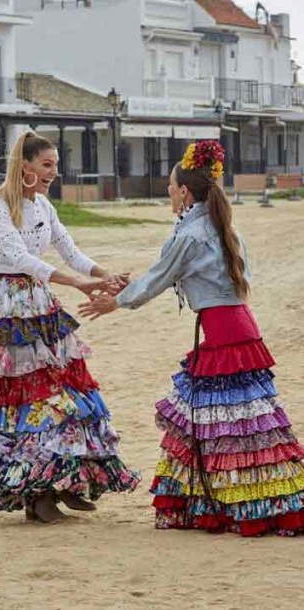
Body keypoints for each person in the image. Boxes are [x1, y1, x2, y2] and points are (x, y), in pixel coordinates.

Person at [80, 140, 304, 536]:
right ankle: (243, 502)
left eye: (171, 186)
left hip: (223, 336)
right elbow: (169, 275)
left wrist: (116, 301)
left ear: (185, 191)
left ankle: (237, 507)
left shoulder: (193, 233)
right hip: (239, 329)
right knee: (244, 425)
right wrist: (128, 289)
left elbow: (159, 277)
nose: (169, 191)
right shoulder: (224, 228)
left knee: (224, 425)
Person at [0, 130, 141, 523]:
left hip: (41, 304)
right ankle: (36, 493)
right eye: (47, 165)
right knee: (26, 395)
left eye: (55, 165)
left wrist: (103, 274)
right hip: (6, 308)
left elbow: (69, 249)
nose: (53, 172)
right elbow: (21, 258)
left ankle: (64, 480)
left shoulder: (43, 206)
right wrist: (77, 283)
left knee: (64, 388)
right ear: (24, 165)